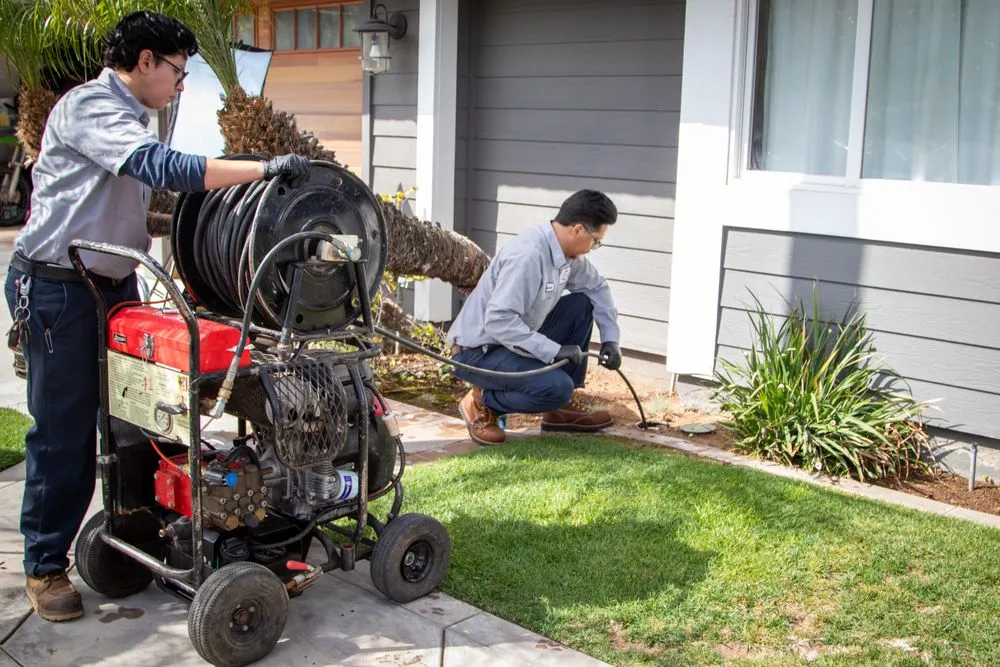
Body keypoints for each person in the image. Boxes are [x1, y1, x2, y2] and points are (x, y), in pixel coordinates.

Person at [4, 11, 312, 622]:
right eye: (178, 70)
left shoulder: (133, 116)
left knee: (141, 418)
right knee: (63, 432)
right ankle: (44, 565)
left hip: (113, 289)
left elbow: (144, 203)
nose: (180, 83)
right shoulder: (91, 107)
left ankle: (143, 532)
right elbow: (164, 170)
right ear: (145, 60)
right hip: (61, 292)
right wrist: (262, 169)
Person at [447, 190, 623, 446]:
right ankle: (481, 401)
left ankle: (560, 409)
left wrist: (611, 339)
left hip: (514, 342)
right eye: (595, 241)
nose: (593, 248)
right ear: (577, 230)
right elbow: (498, 322)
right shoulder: (528, 256)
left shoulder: (566, 255)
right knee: (556, 386)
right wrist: (553, 350)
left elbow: (596, 287)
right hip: (478, 353)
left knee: (582, 304)